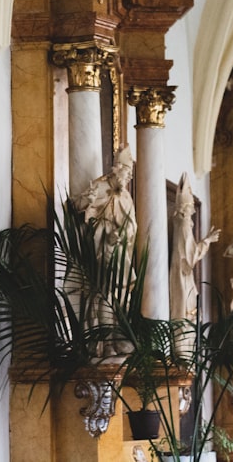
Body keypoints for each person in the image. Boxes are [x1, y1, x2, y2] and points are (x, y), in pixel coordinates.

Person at [74, 146, 137, 355]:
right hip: (101, 245)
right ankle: (105, 340)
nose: (127, 178)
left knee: (121, 293)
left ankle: (118, 335)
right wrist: (87, 201)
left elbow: (132, 225)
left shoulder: (126, 196)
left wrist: (123, 233)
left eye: (129, 174)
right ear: (116, 169)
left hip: (119, 248)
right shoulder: (100, 186)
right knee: (106, 291)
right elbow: (77, 205)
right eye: (125, 172)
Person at [169, 174, 219, 321]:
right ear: (186, 208)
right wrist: (207, 241)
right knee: (186, 313)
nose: (194, 210)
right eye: (191, 206)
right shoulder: (184, 225)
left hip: (183, 274)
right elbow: (190, 256)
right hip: (183, 275)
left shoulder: (182, 224)